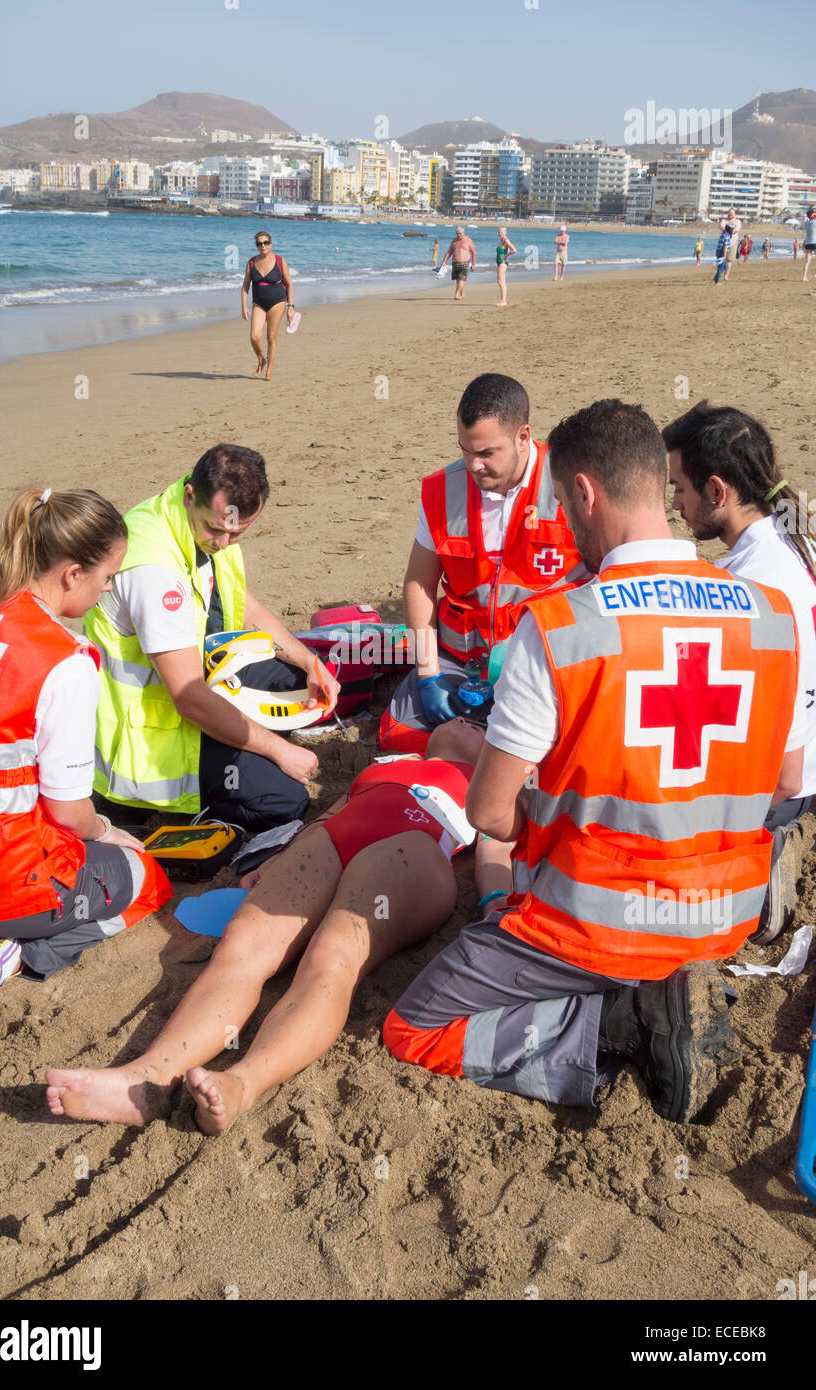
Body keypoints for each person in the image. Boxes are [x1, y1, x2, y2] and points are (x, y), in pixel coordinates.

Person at [384, 399, 804, 1124]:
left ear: (585, 493)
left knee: (413, 1028)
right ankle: (650, 992)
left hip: (596, 920)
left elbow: (489, 814)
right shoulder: (773, 613)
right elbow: (787, 780)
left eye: (564, 507)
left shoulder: (559, 627)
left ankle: (623, 1021)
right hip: (726, 912)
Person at [45, 718, 513, 1130]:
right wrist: (280, 857)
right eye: (461, 718)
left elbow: (494, 847)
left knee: (332, 957)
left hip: (412, 850)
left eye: (482, 725)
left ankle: (242, 1084)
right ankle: (144, 1080)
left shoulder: (489, 780)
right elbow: (331, 814)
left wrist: (495, 902)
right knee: (243, 947)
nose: (469, 722)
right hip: (335, 839)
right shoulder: (386, 761)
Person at [0, 489, 172, 1010]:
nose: (109, 587)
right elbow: (70, 814)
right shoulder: (64, 660)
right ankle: (17, 953)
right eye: (107, 576)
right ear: (73, 574)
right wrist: (111, 834)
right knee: (144, 880)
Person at [85, 445, 340, 834]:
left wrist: (309, 662)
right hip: (151, 734)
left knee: (295, 683)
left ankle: (242, 746)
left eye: (237, 532)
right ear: (191, 495)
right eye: (216, 530)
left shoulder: (187, 513)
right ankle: (174, 809)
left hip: (188, 682)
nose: (223, 543)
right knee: (286, 800)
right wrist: (280, 751)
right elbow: (189, 699)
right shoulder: (155, 571)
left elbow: (246, 605)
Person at [664, 401, 816, 944]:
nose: (676, 504)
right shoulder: (794, 535)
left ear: (717, 491)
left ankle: (758, 867)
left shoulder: (749, 588)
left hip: (787, 786)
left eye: (680, 489)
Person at [379, 373, 583, 754]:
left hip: (544, 666)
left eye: (488, 453)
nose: (473, 466)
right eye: (465, 450)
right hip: (462, 666)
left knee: (546, 752)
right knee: (398, 736)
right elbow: (419, 583)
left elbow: (606, 578)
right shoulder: (443, 490)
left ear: (523, 436)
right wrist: (427, 673)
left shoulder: (569, 484)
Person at [240, 231, 296, 381]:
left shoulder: (279, 260)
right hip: (258, 303)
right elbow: (245, 286)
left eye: (266, 243)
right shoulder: (252, 262)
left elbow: (289, 284)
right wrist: (244, 306)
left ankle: (269, 370)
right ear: (256, 245)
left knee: (271, 337)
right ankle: (261, 360)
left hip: (277, 302)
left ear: (271, 243)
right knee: (254, 337)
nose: (263, 246)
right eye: (259, 243)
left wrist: (291, 306)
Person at [439, 227, 477, 302]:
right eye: (457, 233)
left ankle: (456, 294)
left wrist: (473, 264)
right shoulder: (454, 241)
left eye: (460, 233)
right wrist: (444, 261)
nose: (459, 235)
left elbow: (473, 252)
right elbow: (449, 252)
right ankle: (462, 294)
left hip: (464, 263)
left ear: (463, 232)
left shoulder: (468, 240)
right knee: (458, 280)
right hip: (455, 263)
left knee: (461, 279)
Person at [495, 225, 517, 307]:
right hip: (499, 261)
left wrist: (507, 255)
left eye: (501, 232)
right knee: (499, 281)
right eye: (499, 232)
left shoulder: (506, 240)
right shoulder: (501, 240)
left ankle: (504, 301)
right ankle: (502, 300)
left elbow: (514, 250)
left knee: (501, 282)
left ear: (505, 232)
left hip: (503, 262)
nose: (499, 233)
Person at [803, 208, 816, 283]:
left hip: (808, 243)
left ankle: (804, 277)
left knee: (807, 261)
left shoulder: (806, 223)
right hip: (815, 242)